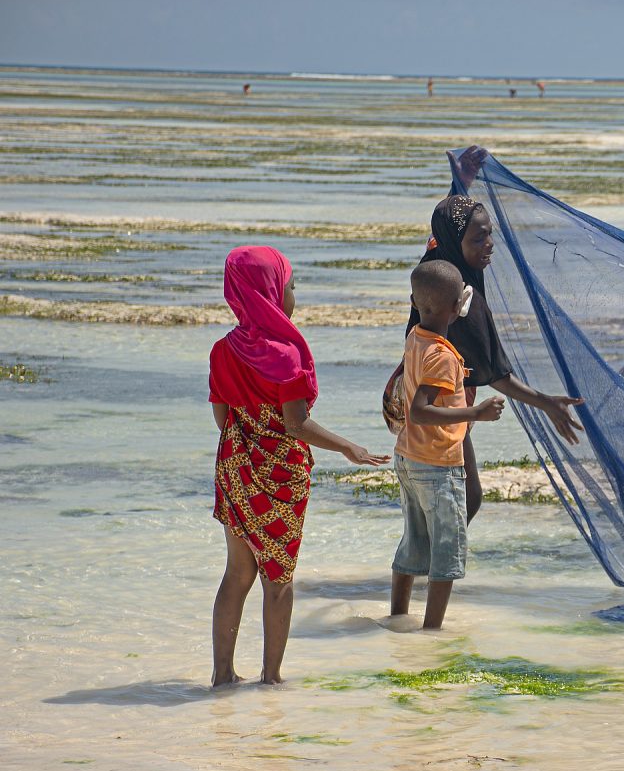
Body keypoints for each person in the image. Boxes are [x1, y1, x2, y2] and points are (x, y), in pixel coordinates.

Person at [210, 246, 388, 689]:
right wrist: (349, 447)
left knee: (237, 573)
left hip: (235, 466)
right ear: (269, 292)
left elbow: (222, 418)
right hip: (279, 476)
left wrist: (248, 437)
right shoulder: (284, 354)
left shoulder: (221, 351)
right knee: (278, 577)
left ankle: (222, 674)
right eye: (290, 285)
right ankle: (271, 677)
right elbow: (296, 423)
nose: (294, 293)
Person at [388, 153, 583, 534]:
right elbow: (497, 375)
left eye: (490, 233)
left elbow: (447, 221)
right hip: (440, 411)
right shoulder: (461, 300)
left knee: (457, 499)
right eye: (480, 238)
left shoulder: (436, 262)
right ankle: (433, 572)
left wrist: (461, 183)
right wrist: (546, 402)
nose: (490, 244)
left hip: (416, 395)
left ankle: (424, 571)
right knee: (459, 499)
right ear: (456, 240)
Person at [391, 261, 506, 628]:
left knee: (414, 540)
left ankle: (397, 617)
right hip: (438, 464)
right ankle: (432, 631)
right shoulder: (443, 357)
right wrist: (476, 412)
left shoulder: (416, 339)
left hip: (409, 457)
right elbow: (421, 412)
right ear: (459, 307)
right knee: (446, 551)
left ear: (414, 302)